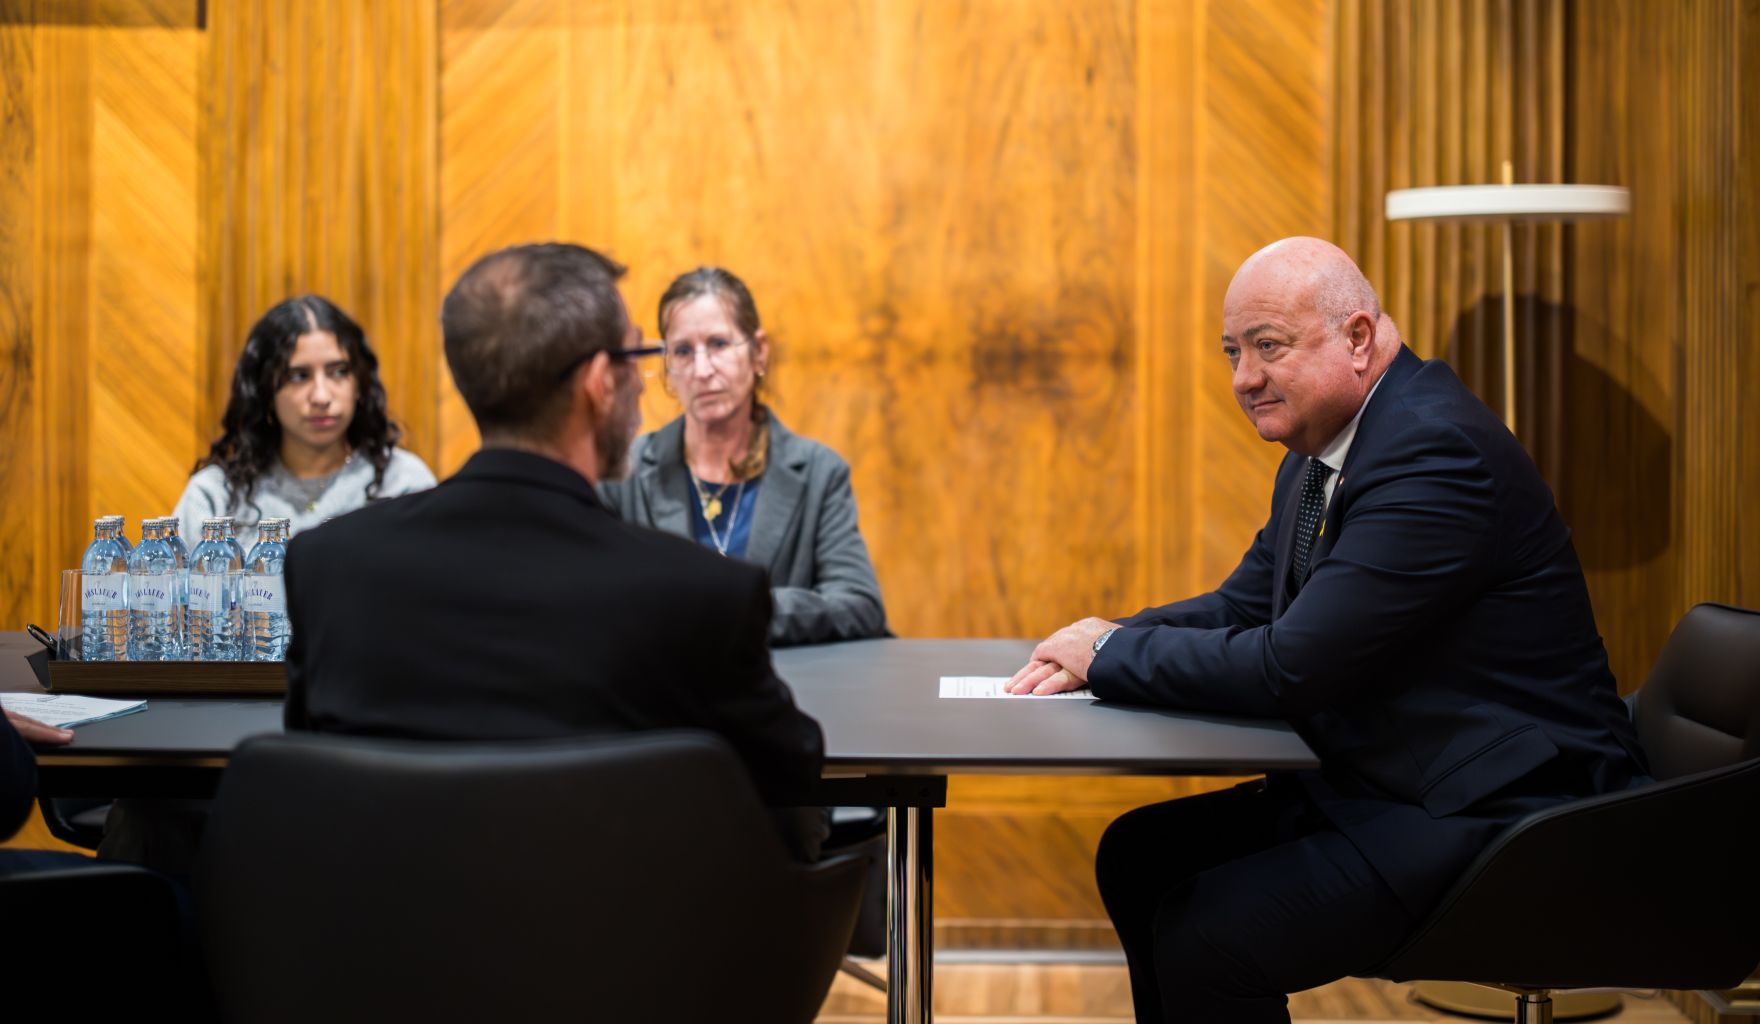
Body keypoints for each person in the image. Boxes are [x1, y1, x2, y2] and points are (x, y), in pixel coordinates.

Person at [1007, 237, 1649, 1023]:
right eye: (1232, 351)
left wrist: (1110, 654)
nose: (1244, 379)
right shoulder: (1322, 451)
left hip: (1502, 810)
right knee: (1141, 858)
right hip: (1389, 778)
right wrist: (1102, 640)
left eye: (1268, 347)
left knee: (1207, 936)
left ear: (1358, 337)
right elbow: (1246, 607)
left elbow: (1291, 666)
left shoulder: (1433, 452)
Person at [283, 244, 827, 858]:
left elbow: (316, 780)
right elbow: (793, 776)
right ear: (601, 383)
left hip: (399, 941)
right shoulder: (705, 596)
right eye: (639, 355)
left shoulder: (327, 569)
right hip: (635, 945)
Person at [599, 267, 886, 646]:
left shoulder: (819, 472)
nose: (702, 370)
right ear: (668, 366)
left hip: (786, 691)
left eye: (718, 344)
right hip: (661, 694)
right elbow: (595, 597)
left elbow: (859, 604)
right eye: (683, 351)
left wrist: (738, 609)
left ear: (758, 352)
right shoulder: (625, 471)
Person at [174, 295, 436, 551]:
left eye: (339, 372)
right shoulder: (216, 495)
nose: (321, 396)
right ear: (265, 390)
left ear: (360, 384)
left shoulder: (404, 483)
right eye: (299, 376)